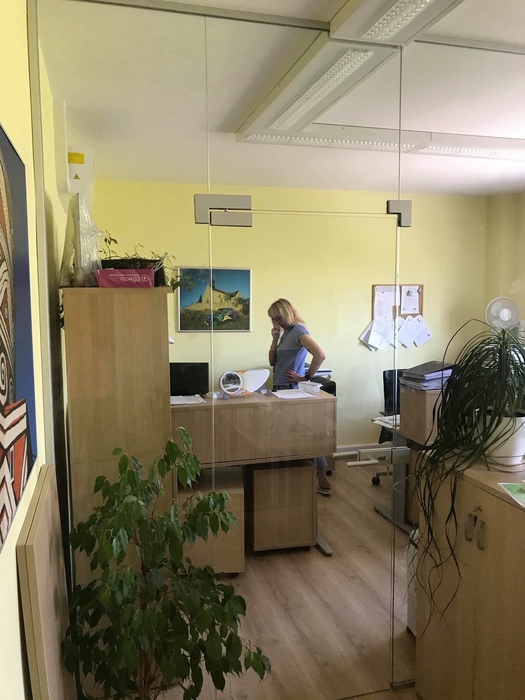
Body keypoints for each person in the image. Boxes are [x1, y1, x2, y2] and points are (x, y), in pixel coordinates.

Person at [267, 298, 332, 495]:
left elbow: (320, 355)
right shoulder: (286, 333)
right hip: (280, 388)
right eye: (273, 319)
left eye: (278, 318)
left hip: (292, 389)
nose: (276, 322)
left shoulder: (298, 331)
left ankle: (321, 476)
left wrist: (306, 376)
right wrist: (275, 338)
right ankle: (296, 478)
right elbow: (273, 362)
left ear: (287, 314)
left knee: (305, 435)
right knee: (287, 435)